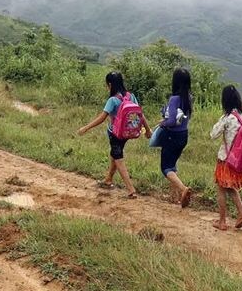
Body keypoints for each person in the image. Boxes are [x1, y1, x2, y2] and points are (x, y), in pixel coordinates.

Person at [78, 71, 152, 199]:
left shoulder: (112, 100)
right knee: (115, 154)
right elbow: (140, 114)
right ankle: (108, 180)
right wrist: (148, 129)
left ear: (110, 84)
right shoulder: (131, 96)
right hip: (128, 133)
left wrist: (86, 127)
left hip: (115, 134)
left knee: (118, 158)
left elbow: (102, 118)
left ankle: (130, 189)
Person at [210, 85, 242, 230]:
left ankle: (222, 221)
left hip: (226, 159)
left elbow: (213, 135)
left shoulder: (227, 118)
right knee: (230, 187)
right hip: (239, 161)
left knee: (221, 189)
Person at [158, 68, 193, 208]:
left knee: (166, 167)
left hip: (172, 135)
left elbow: (171, 121)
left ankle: (183, 189)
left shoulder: (174, 99)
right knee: (172, 164)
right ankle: (175, 196)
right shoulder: (189, 97)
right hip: (183, 135)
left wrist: (163, 123)